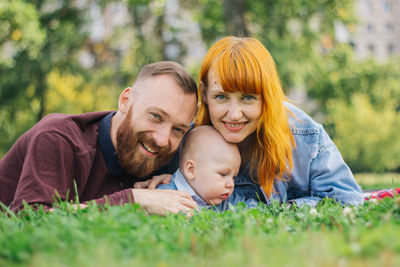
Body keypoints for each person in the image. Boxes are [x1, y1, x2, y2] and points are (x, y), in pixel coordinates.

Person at [137, 37, 364, 207]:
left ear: (267, 97)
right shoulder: (186, 135)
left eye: (248, 97)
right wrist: (171, 181)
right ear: (204, 94)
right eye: (221, 97)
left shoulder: (304, 135)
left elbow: (347, 200)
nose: (234, 114)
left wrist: (279, 211)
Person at [0, 61, 199, 214]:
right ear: (125, 101)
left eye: (178, 130)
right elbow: (31, 217)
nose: (163, 140)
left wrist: (175, 181)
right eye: (155, 116)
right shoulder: (59, 138)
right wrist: (134, 199)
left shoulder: (168, 152)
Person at [157, 125, 257, 210]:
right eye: (223, 174)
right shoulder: (164, 195)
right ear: (191, 170)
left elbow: (249, 207)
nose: (231, 184)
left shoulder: (225, 200)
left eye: (234, 177)